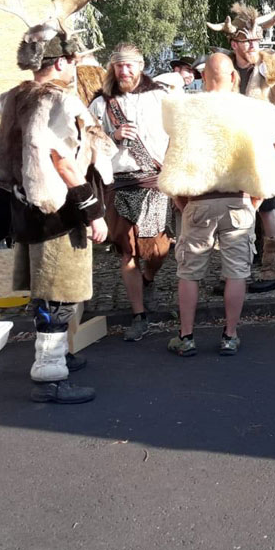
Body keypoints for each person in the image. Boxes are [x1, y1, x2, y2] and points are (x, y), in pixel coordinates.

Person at [0, 1, 113, 404]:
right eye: (72, 60)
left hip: (27, 212)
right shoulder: (58, 102)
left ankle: (58, 358)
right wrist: (94, 212)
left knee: (47, 290)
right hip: (58, 215)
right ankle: (50, 375)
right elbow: (63, 162)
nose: (76, 66)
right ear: (60, 62)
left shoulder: (14, 97)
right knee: (58, 295)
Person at [157, 52, 275, 356]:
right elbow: (269, 156)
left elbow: (172, 158)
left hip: (198, 201)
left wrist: (181, 200)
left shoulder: (185, 110)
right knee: (237, 272)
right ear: (233, 77)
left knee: (189, 272)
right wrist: (255, 200)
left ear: (204, 77)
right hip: (238, 202)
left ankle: (186, 337)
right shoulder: (251, 110)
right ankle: (230, 335)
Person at [89, 43, 172, 342]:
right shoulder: (100, 104)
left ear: (140, 65)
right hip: (120, 183)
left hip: (154, 183)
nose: (124, 71)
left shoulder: (161, 97)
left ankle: (149, 278)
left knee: (158, 250)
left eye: (129, 65)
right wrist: (112, 135)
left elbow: (176, 135)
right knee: (128, 251)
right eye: (118, 65)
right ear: (112, 67)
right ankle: (139, 315)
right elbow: (88, 145)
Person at [208, 3, 275, 293]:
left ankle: (273, 269)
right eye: (246, 41)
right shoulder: (224, 68)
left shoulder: (268, 66)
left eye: (257, 40)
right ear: (234, 43)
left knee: (266, 207)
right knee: (232, 210)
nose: (253, 45)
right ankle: (234, 272)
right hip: (230, 150)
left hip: (261, 149)